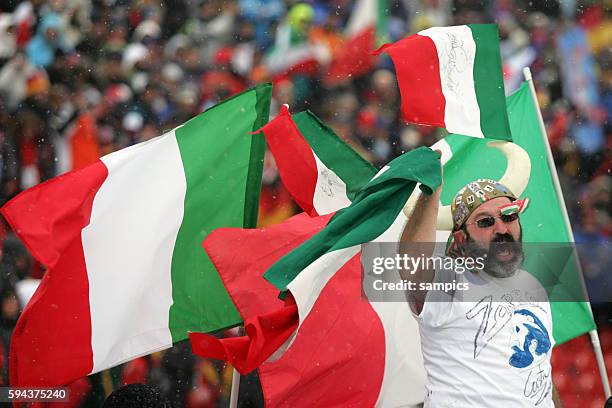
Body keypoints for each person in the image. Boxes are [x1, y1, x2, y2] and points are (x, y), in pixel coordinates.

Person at [400, 176, 563, 407]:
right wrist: (431, 191)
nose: (501, 229)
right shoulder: (450, 282)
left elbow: (538, 370)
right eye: (485, 222)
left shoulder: (532, 286)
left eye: (509, 215)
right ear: (461, 238)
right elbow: (412, 261)